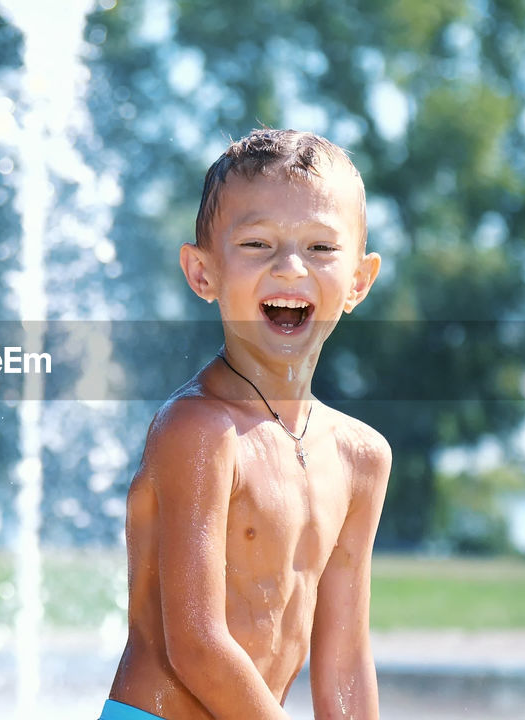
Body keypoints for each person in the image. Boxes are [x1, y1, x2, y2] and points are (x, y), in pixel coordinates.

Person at [102, 129, 390, 720]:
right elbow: (197, 645)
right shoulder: (198, 432)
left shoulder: (361, 457)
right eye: (257, 244)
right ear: (202, 273)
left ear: (359, 281)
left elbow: (344, 662)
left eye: (320, 248)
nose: (290, 267)